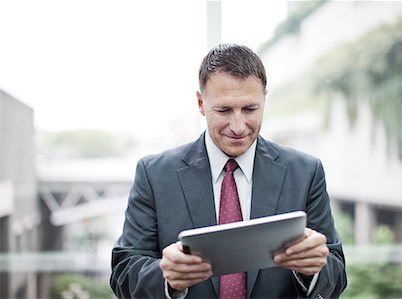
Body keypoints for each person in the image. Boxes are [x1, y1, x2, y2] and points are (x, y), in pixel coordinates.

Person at [110, 43, 347, 299]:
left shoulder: (305, 173)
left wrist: (312, 270)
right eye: (224, 110)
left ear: (264, 99)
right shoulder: (155, 175)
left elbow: (336, 275)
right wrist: (167, 277)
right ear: (201, 103)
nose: (238, 126)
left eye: (250, 109)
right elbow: (124, 272)